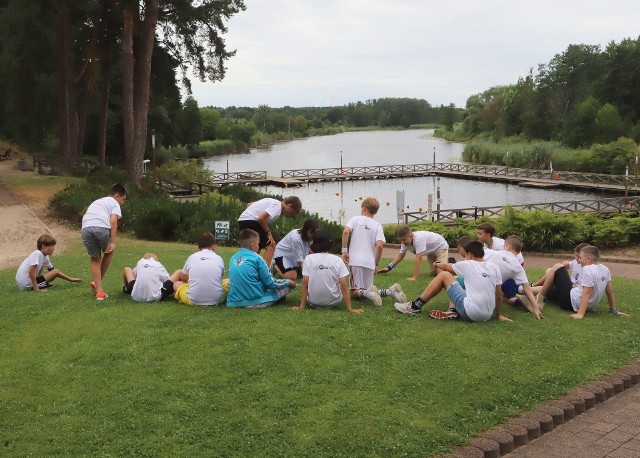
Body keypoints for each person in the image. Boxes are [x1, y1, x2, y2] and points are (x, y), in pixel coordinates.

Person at [395, 240, 510, 322]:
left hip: (471, 313)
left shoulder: (467, 264)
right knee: (457, 280)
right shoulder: (494, 267)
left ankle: (415, 306)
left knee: (444, 275)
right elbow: (498, 295)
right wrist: (498, 315)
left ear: (469, 254)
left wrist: (436, 263)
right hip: (487, 315)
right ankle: (452, 311)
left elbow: (445, 267)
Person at [341, 197, 406, 306]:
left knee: (353, 293)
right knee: (367, 290)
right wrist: (376, 263)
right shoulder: (377, 226)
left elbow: (346, 232)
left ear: (364, 207)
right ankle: (391, 291)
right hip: (370, 263)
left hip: (356, 261)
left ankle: (371, 293)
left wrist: (344, 251)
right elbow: (379, 246)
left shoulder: (355, 219)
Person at [534, 245, 628, 319]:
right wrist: (613, 309)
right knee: (547, 286)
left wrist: (580, 313)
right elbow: (610, 291)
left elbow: (587, 292)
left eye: (580, 258)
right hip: (579, 301)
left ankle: (539, 300)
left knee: (557, 266)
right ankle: (524, 290)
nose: (578, 260)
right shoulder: (605, 269)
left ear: (588, 259)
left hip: (569, 301)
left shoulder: (587, 269)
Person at [292, 230, 364, 313]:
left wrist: (301, 306)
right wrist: (350, 309)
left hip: (313, 302)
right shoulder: (337, 260)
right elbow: (343, 285)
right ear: (329, 243)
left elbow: (305, 283)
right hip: (334, 302)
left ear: (314, 244)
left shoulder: (308, 259)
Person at [227, 229, 296, 308]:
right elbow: (270, 283)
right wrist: (288, 282)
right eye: (258, 244)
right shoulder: (257, 258)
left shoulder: (233, 258)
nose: (258, 246)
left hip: (233, 302)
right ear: (252, 245)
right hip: (254, 302)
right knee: (288, 285)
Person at [81, 183, 127, 300]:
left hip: (85, 228)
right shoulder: (114, 203)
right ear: (117, 196)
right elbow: (113, 221)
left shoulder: (98, 202)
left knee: (95, 258)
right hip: (100, 226)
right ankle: (98, 286)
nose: (123, 202)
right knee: (109, 252)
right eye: (123, 199)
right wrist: (112, 242)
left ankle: (98, 289)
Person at [483, 235, 544, 319]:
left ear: (507, 246)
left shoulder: (492, 252)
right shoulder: (518, 267)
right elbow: (527, 289)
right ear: (518, 252)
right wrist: (535, 308)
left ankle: (515, 298)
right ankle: (515, 298)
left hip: (480, 286)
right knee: (507, 284)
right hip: (491, 291)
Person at [237, 196, 302, 265]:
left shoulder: (272, 201)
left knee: (256, 247)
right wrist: (268, 233)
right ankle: (264, 272)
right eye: (292, 212)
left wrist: (249, 213)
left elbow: (249, 204)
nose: (290, 215)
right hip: (251, 221)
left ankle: (251, 268)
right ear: (289, 206)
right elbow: (261, 218)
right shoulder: (278, 207)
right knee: (271, 246)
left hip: (243, 220)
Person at [172, 232, 228, 306]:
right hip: (217, 299)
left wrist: (192, 282)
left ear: (198, 248)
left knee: (176, 284)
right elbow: (220, 278)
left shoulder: (191, 257)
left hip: (193, 300)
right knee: (228, 281)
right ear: (214, 246)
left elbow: (183, 277)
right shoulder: (219, 258)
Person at [378, 226, 449, 279]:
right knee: (434, 274)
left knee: (441, 274)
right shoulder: (405, 243)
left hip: (441, 248)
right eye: (401, 240)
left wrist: (414, 277)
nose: (402, 242)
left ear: (411, 236)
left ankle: (454, 267)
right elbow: (400, 256)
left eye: (404, 239)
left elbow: (418, 259)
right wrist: (388, 268)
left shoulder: (418, 239)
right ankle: (449, 266)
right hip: (430, 253)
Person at [16, 234, 82, 291]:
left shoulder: (44, 257)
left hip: (25, 284)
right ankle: (38, 286)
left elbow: (52, 270)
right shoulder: (37, 253)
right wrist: (36, 289)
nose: (54, 248)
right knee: (54, 272)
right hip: (26, 284)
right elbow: (31, 272)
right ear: (43, 246)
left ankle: (43, 285)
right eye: (52, 246)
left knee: (46, 270)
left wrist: (71, 279)